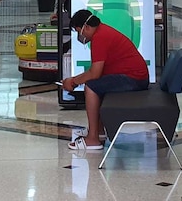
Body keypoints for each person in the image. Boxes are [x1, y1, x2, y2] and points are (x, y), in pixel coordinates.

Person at [62, 9, 149, 150]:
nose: (81, 36)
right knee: (99, 84)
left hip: (134, 79)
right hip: (136, 76)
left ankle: (93, 139)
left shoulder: (100, 37)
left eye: (80, 31)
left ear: (87, 27)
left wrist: (72, 81)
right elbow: (97, 71)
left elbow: (94, 73)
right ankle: (98, 131)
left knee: (91, 87)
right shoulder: (102, 31)